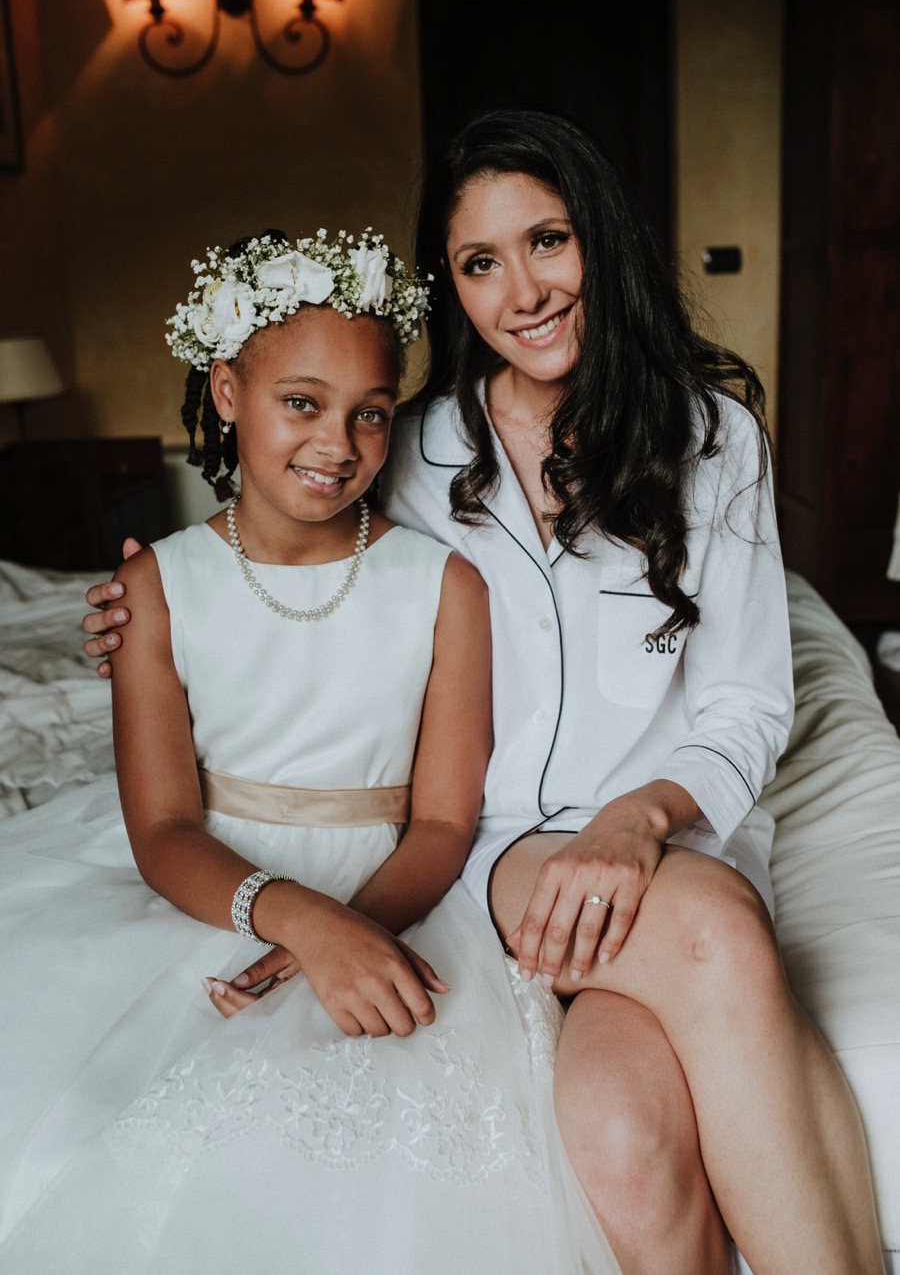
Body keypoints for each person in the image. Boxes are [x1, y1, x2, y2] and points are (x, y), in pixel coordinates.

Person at [81, 111, 883, 1275]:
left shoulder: (717, 441)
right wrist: (135, 605)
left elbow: (753, 706)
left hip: (675, 837)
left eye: (548, 241)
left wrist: (637, 822)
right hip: (498, 853)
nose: (524, 290)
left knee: (621, 1133)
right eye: (479, 263)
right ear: (449, 286)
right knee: (708, 941)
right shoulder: (405, 447)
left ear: (598, 240)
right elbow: (282, 551)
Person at [0, 227, 620, 1274]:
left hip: (397, 888)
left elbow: (442, 821)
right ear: (228, 390)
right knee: (93, 1127)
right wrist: (295, 920)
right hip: (209, 889)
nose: (338, 442)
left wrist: (349, 929)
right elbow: (160, 825)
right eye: (301, 402)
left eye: (370, 413)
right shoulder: (156, 587)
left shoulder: (441, 587)